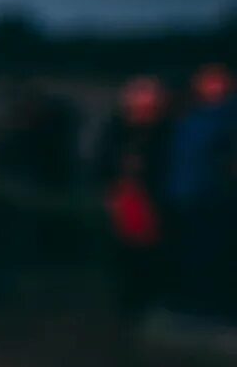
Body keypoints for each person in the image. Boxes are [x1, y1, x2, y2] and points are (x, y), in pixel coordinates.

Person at [95, 75, 173, 323]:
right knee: (123, 248)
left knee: (149, 248)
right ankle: (126, 302)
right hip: (122, 196)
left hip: (152, 198)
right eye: (138, 94)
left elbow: (168, 164)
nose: (143, 101)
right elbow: (103, 160)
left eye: (149, 95)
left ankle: (147, 300)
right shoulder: (117, 128)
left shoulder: (165, 130)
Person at [164, 63, 234, 321]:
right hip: (183, 192)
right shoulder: (188, 114)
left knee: (214, 252)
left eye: (218, 80)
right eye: (207, 80)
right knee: (188, 251)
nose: (212, 86)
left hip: (215, 196)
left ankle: (215, 306)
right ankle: (191, 302)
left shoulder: (229, 115)